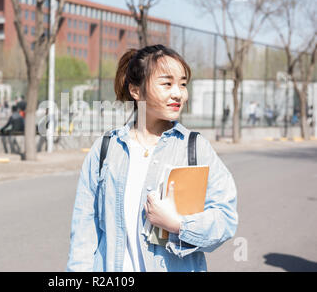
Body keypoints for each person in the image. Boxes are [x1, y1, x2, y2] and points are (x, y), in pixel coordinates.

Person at [66, 45, 238, 272]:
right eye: (167, 84)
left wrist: (178, 225)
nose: (178, 93)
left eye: (183, 84)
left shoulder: (195, 148)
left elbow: (225, 219)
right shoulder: (106, 150)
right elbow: (84, 232)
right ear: (136, 91)